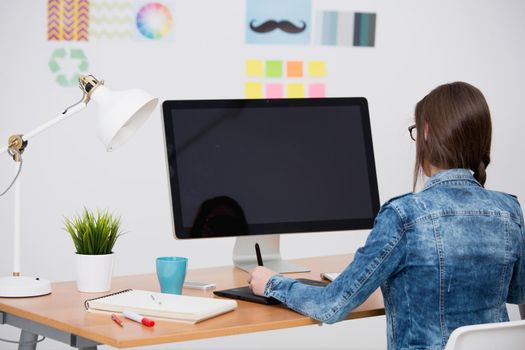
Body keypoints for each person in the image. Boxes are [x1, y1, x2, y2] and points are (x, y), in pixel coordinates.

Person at [248, 81, 525, 350]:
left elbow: (330, 306)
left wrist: (272, 283)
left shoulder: (405, 216)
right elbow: (517, 293)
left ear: (426, 132)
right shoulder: (510, 211)